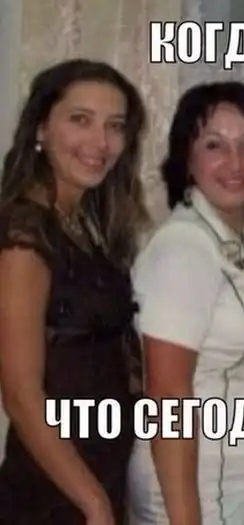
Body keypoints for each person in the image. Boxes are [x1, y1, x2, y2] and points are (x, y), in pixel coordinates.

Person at [127, 81, 244, 525]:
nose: (236, 163)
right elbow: (168, 397)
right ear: (187, 158)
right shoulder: (183, 247)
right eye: (214, 145)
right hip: (192, 486)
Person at [0, 59, 148, 524]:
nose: (100, 143)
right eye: (80, 120)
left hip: (102, 466)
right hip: (55, 487)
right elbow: (21, 394)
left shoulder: (85, 222)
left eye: (114, 126)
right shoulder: (25, 232)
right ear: (41, 128)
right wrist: (93, 503)